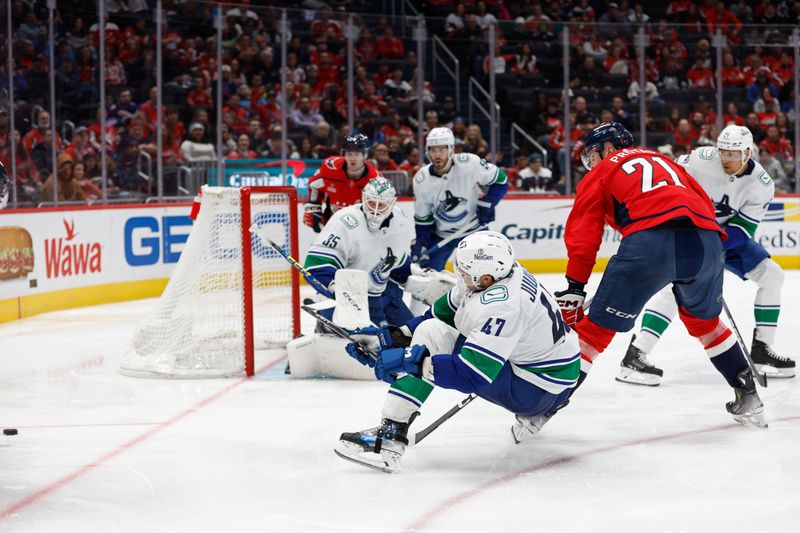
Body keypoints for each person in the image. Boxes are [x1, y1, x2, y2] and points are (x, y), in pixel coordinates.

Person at [554, 122, 767, 427]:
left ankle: (548, 404)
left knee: (593, 332)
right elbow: (704, 204)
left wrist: (576, 285)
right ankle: (749, 396)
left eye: (594, 153)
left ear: (610, 148)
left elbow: (584, 232)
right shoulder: (665, 161)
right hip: (705, 242)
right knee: (705, 324)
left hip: (650, 241)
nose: (592, 162)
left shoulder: (603, 171)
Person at [335, 231, 579, 473]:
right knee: (431, 329)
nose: (458, 274)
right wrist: (390, 337)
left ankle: (390, 436)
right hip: (559, 380)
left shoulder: (503, 306)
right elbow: (442, 314)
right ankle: (541, 411)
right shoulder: (499, 273)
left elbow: (471, 375)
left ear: (485, 278)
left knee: (432, 334)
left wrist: (408, 361)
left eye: (463, 270)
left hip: (534, 392)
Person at [618, 125, 794, 384]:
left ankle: (761, 351)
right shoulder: (701, 158)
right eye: (722, 151)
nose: (725, 158)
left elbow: (744, 228)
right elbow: (668, 175)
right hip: (689, 230)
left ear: (747, 153)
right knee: (676, 287)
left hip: (724, 238)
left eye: (732, 154)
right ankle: (635, 354)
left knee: (772, 275)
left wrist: (714, 247)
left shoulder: (761, 184)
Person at [303, 177, 414, 327]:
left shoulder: (400, 221)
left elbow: (397, 262)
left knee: (411, 333)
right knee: (377, 344)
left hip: (383, 294)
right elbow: (315, 265)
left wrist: (418, 277)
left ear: (391, 203)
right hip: (350, 299)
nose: (375, 210)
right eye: (371, 203)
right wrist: (337, 288)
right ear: (363, 199)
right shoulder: (345, 222)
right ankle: (326, 326)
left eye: (381, 205)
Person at [411, 127, 508, 271]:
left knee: (487, 271)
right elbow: (424, 219)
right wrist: (422, 242)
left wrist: (489, 201)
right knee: (427, 281)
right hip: (441, 235)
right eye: (433, 150)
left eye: (442, 150)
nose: (437, 155)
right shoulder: (421, 180)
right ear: (427, 151)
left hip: (473, 229)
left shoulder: (470, 163)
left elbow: (501, 180)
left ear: (451, 149)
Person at [303, 133, 382, 233]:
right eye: (349, 154)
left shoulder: (375, 179)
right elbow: (314, 186)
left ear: (364, 155)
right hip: (332, 225)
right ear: (344, 154)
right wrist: (314, 209)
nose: (352, 158)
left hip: (361, 231)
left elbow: (382, 208)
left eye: (357, 154)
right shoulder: (330, 168)